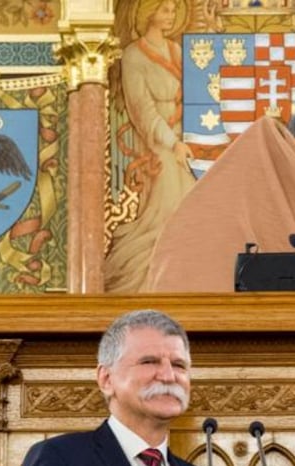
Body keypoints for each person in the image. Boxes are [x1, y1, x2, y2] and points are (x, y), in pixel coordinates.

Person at [7, 309, 231, 466]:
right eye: (149, 361)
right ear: (106, 379)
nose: (168, 376)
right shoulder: (60, 461)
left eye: (179, 365)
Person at [104, 0, 196, 293]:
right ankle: (156, 284)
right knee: (167, 215)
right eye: (165, 10)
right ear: (149, 13)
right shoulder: (133, 56)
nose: (170, 16)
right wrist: (173, 143)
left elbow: (193, 94)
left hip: (185, 139)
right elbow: (142, 111)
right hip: (159, 147)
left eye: (173, 11)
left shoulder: (176, 51)